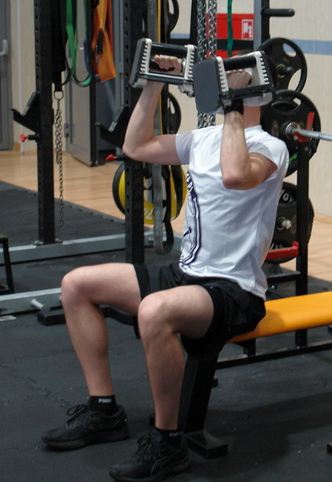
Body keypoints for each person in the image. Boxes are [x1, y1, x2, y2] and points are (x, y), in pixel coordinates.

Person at [42, 55, 289, 482]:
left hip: (233, 291)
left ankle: (168, 442)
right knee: (76, 285)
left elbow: (234, 175)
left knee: (154, 311)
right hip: (188, 275)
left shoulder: (270, 148)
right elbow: (136, 147)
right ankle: (103, 410)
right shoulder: (203, 139)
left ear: (255, 92)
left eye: (235, 81)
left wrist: (232, 105)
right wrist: (156, 83)